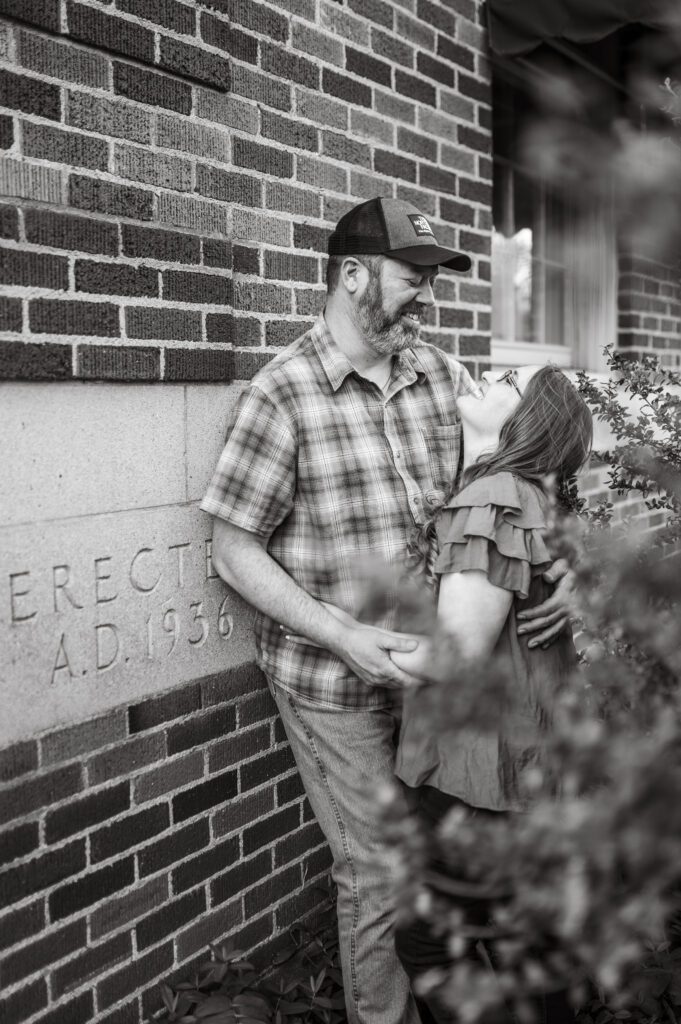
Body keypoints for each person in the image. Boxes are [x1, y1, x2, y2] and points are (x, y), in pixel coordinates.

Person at [200, 197, 574, 1024]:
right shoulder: (281, 395)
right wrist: (341, 634)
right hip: (334, 680)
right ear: (353, 275)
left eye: (432, 282)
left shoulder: (440, 376)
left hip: (435, 681)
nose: (427, 299)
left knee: (441, 876)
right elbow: (232, 549)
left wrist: (565, 573)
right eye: (414, 278)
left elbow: (526, 472)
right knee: (378, 872)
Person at [389, 364, 593, 1024]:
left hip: (478, 773)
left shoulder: (492, 498)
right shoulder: (539, 499)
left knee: (431, 946)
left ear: (527, 418)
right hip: (534, 766)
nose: (479, 374)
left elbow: (455, 655)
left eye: (504, 376)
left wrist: (342, 638)